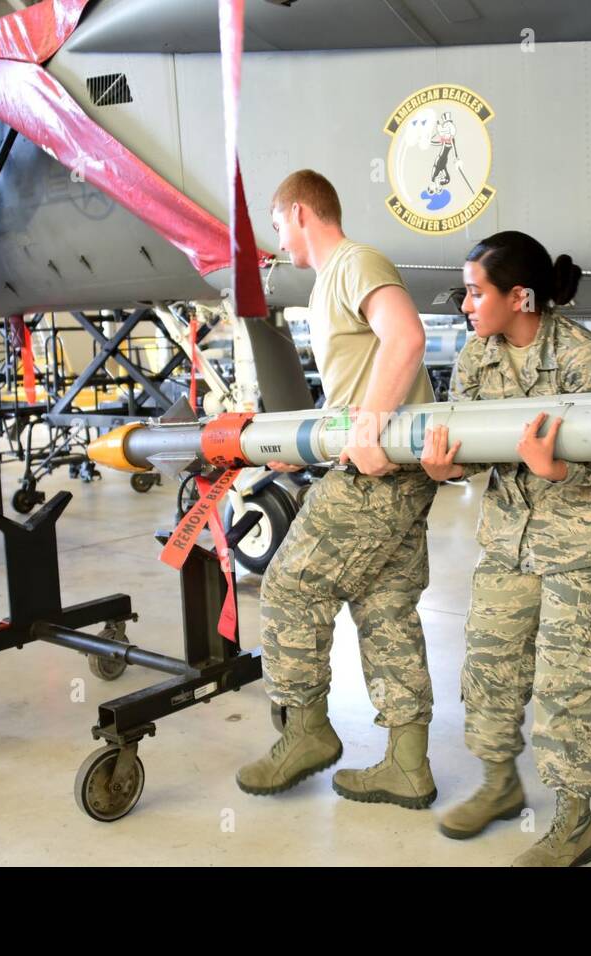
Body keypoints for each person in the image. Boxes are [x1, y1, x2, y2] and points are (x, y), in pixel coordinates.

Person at [421, 231, 591, 866]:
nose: (465, 305)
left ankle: (576, 823)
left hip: (586, 546)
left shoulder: (586, 358)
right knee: (490, 668)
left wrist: (559, 472)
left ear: (520, 297)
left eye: (474, 292)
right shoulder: (475, 357)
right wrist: (447, 472)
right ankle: (498, 784)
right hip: (509, 542)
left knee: (575, 686)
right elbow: (468, 443)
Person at [235, 170, 442, 809]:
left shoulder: (354, 262)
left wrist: (370, 429)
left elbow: (406, 336)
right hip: (397, 474)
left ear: (300, 212)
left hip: (375, 473)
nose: (279, 241)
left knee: (291, 584)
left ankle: (307, 731)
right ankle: (407, 763)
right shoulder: (332, 280)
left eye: (277, 226)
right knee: (385, 609)